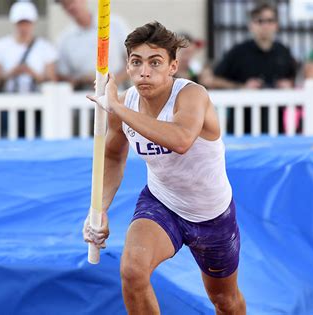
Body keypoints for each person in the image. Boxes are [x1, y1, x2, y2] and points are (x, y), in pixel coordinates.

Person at [84, 21, 246, 314]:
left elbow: (181, 139)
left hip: (210, 214)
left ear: (173, 66)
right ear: (128, 66)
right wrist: (100, 208)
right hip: (162, 203)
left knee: (225, 301)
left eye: (155, 62)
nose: (144, 71)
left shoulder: (192, 96)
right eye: (136, 62)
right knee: (133, 271)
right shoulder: (125, 104)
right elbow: (112, 156)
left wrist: (118, 108)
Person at [204, 1, 296, 89]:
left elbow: (295, 79)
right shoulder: (238, 52)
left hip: (279, 104)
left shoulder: (283, 51)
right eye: (260, 21)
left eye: (270, 20)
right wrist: (242, 86)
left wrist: (288, 84)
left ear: (277, 25)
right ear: (251, 25)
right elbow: (212, 80)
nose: (265, 25)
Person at [0, 0, 57, 93]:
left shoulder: (46, 47)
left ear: (33, 23)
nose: (24, 27)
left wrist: (33, 74)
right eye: (20, 23)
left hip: (38, 101)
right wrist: (12, 73)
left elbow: (52, 82)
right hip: (8, 101)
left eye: (27, 23)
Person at [57, 0, 129, 90]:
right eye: (65, 5)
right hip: (83, 97)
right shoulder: (64, 38)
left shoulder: (115, 24)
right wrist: (81, 80)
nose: (70, 7)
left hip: (118, 92)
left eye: (72, 1)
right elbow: (63, 75)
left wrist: (112, 83)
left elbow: (131, 60)